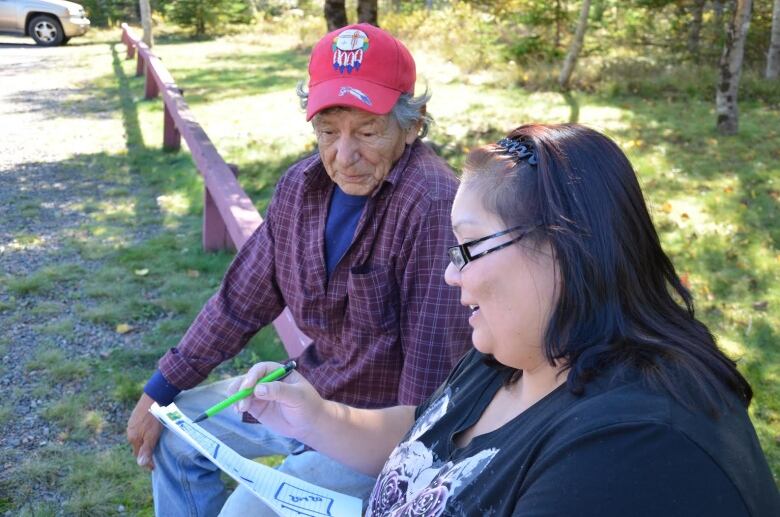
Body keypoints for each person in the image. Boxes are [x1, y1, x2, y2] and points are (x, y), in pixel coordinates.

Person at [230, 123, 780, 516]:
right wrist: (317, 418)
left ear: (564, 251)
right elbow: (426, 439)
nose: (451, 275)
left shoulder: (632, 451)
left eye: (467, 246)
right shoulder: (515, 354)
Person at [126, 23, 472, 516]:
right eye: (328, 132)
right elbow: (238, 302)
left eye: (367, 132)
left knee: (242, 513)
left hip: (375, 436)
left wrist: (400, 481)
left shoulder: (433, 205)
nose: (343, 156)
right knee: (175, 435)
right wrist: (158, 390)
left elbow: (429, 382)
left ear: (412, 125)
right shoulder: (301, 187)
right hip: (306, 394)